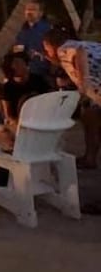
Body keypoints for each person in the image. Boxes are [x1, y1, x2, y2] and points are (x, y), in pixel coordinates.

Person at [43, 28, 101, 170]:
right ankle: (90, 158)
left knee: (90, 118)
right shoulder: (84, 44)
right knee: (90, 118)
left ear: (51, 45)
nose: (47, 53)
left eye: (47, 49)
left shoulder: (65, 49)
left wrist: (83, 82)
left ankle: (90, 158)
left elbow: (79, 52)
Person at [1, 53, 49, 123]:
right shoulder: (7, 87)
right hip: (20, 121)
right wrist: (19, 124)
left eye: (21, 63)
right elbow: (8, 115)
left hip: (41, 118)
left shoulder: (38, 79)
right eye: (16, 64)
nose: (21, 66)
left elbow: (48, 100)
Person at [13, 1, 52, 78]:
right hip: (26, 72)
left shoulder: (47, 29)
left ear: (40, 13)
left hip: (44, 71)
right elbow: (18, 50)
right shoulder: (21, 30)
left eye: (33, 9)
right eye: (27, 9)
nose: (29, 12)